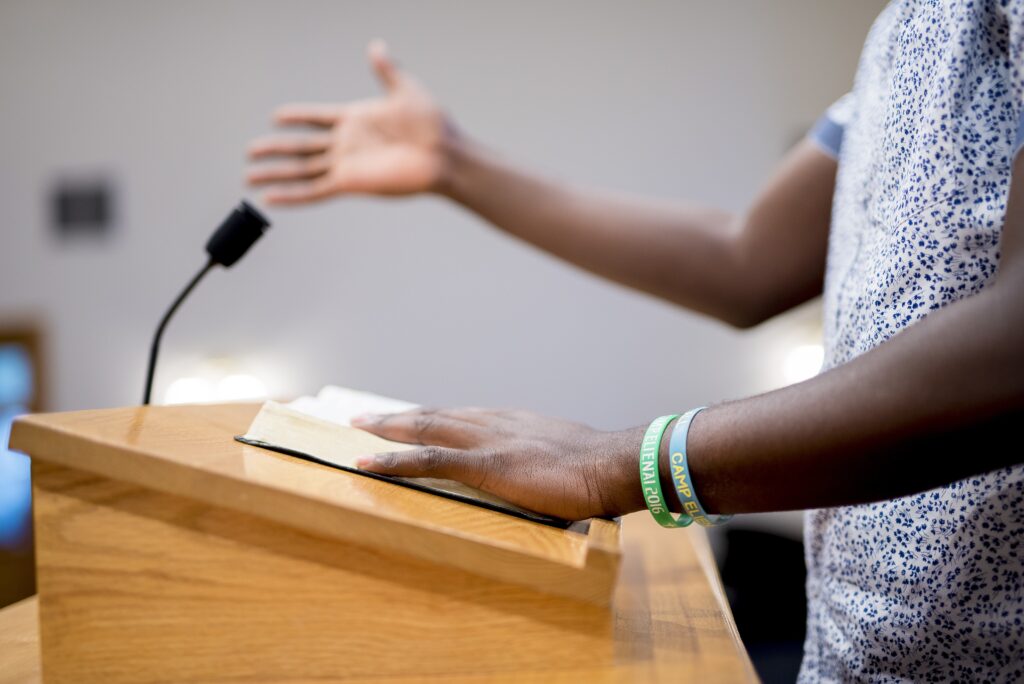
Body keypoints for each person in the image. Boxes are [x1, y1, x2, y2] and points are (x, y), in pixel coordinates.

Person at [246, 3, 1024, 680]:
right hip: (857, 650)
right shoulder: (902, 34)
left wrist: (618, 463)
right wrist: (457, 166)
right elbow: (743, 262)